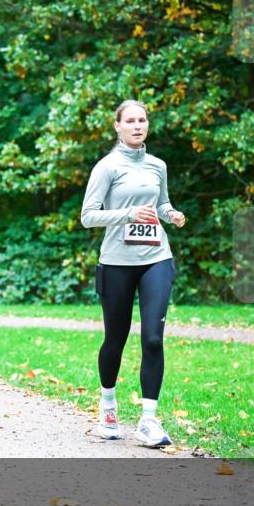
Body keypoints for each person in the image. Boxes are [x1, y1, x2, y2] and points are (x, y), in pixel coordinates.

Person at [80, 99, 187, 447]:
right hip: (116, 263)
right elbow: (88, 216)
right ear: (118, 126)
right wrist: (127, 215)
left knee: (153, 339)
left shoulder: (158, 165)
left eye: (142, 120)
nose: (137, 126)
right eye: (130, 121)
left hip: (156, 256)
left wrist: (171, 215)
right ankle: (108, 405)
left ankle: (149, 420)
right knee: (117, 338)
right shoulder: (107, 167)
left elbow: (161, 204)